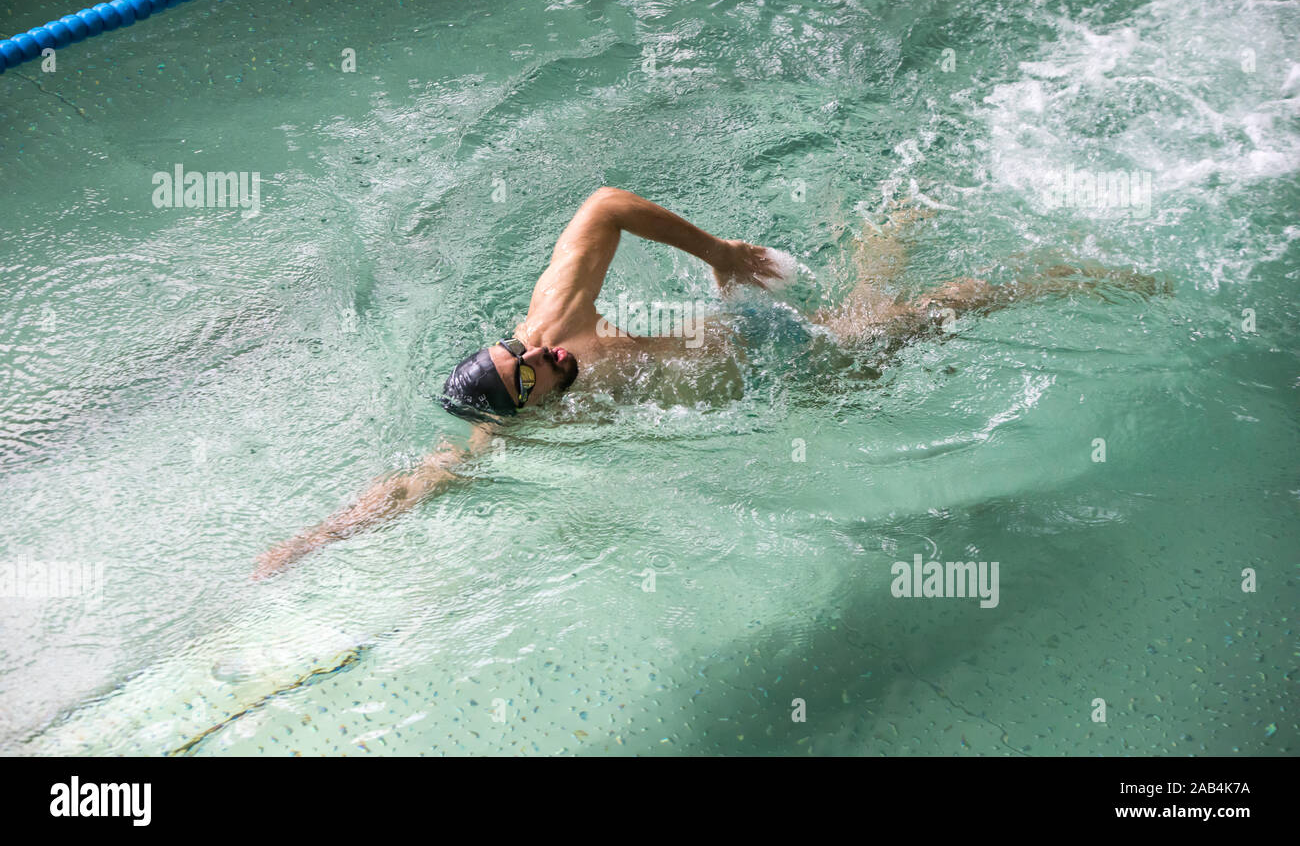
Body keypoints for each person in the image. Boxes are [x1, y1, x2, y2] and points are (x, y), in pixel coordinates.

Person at [254, 186, 1163, 577]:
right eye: (528, 375)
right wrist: (313, 541)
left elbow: (604, 205)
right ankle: (901, 216)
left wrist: (718, 252)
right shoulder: (511, 434)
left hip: (774, 353)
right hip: (777, 377)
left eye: (521, 349)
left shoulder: (554, 322)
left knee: (930, 317)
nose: (541, 357)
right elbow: (419, 481)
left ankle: (1070, 276)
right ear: (520, 409)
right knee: (881, 316)